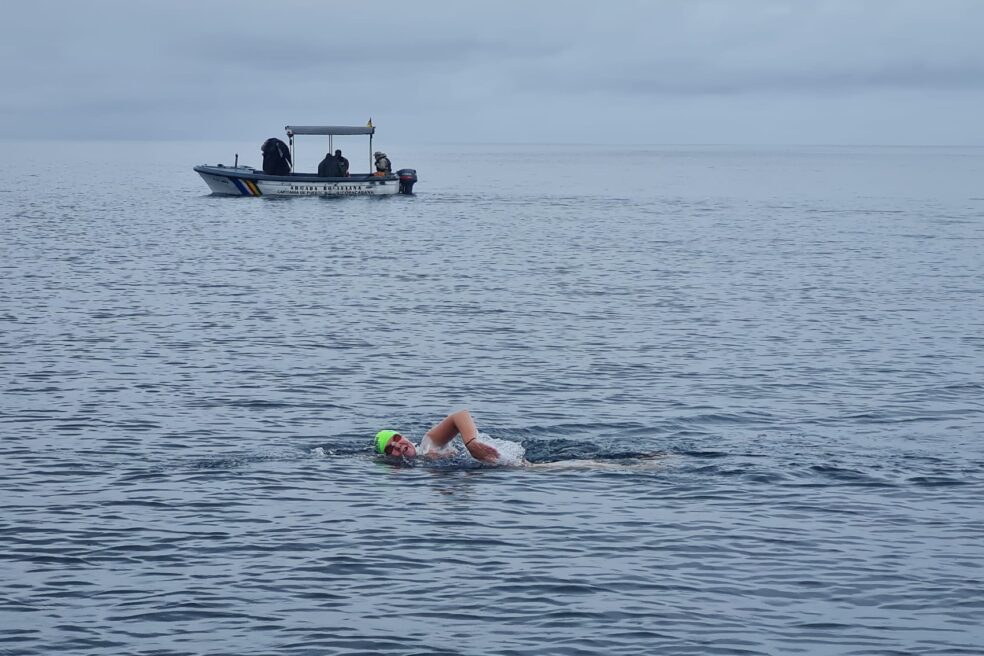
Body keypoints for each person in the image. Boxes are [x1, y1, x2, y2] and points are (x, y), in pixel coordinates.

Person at [374, 409, 500, 463]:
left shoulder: (428, 443)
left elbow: (460, 415)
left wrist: (471, 443)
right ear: (388, 457)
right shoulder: (422, 462)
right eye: (389, 449)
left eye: (396, 438)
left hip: (502, 458)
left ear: (404, 436)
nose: (397, 445)